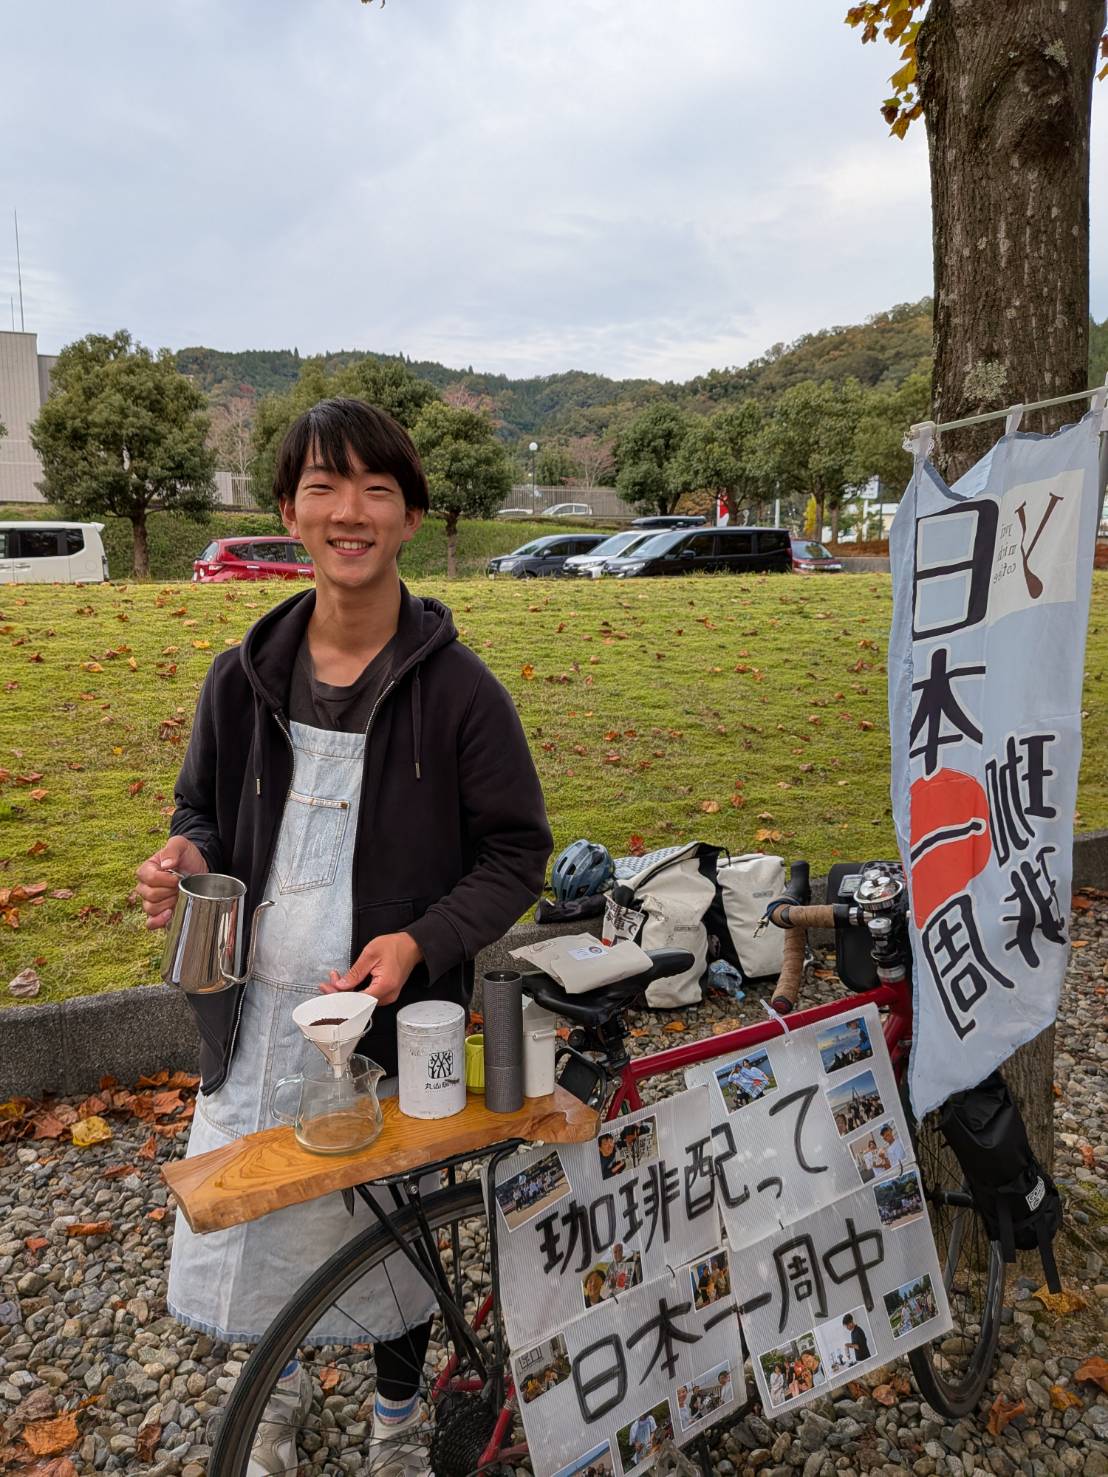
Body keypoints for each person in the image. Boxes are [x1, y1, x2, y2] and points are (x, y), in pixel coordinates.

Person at [135, 399, 552, 1477]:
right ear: (290, 512)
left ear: (409, 516)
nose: (348, 511)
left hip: (383, 1017)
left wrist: (420, 940)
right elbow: (199, 814)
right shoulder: (240, 679)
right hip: (259, 1009)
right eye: (323, 486)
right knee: (262, 1218)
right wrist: (185, 860)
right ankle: (273, 1402)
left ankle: (398, 1420)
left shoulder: (458, 693)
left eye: (374, 489)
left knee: (391, 1230)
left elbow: (514, 851)